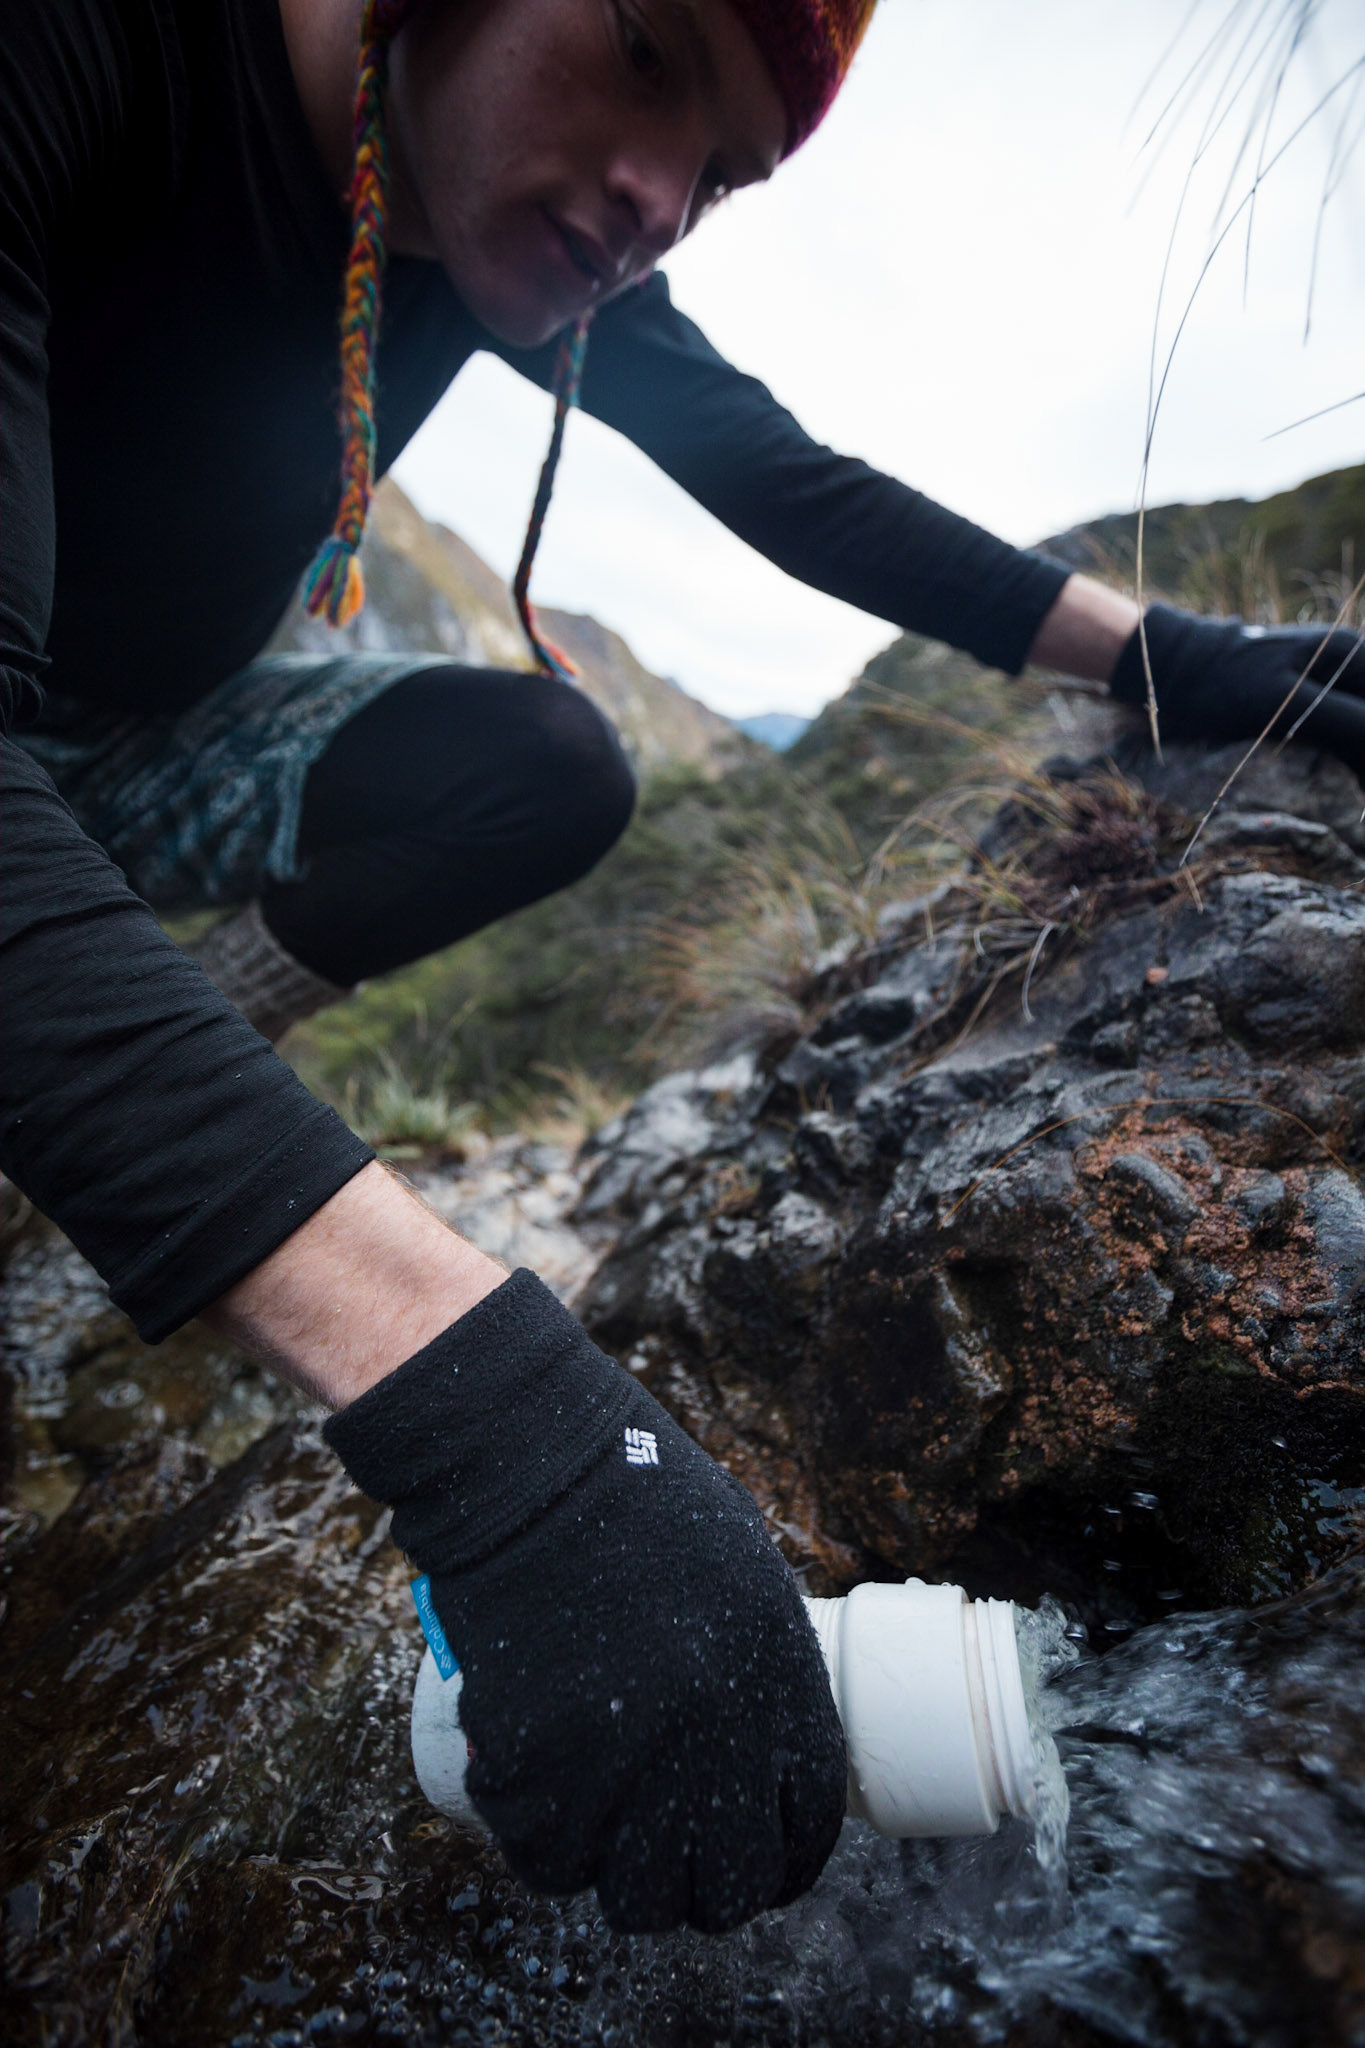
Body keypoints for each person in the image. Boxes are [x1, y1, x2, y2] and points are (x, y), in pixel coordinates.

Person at [3, 0, 1363, 1937]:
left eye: (722, 172)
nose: (658, 195)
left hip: (159, 739)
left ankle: (147, 1067)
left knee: (551, 764)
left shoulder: (492, 209)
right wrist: (490, 1418)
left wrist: (1173, 660)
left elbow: (789, 484)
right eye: (643, 48)